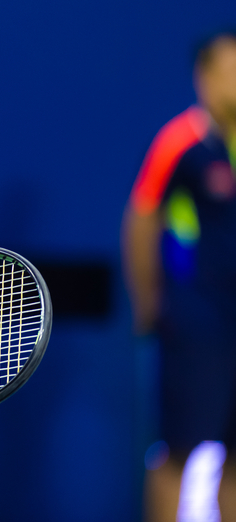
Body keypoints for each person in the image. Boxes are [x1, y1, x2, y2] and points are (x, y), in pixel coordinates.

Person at [123, 31, 236, 522]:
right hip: (194, 324)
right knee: (177, 450)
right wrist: (149, 304)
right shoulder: (179, 143)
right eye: (230, 70)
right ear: (205, 78)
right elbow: (142, 222)